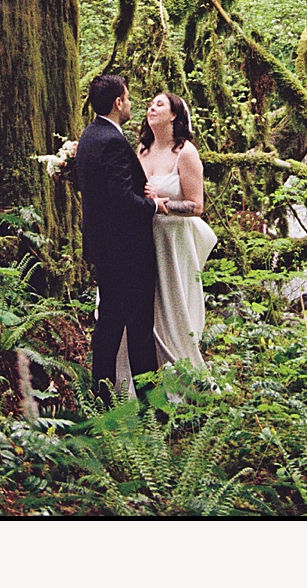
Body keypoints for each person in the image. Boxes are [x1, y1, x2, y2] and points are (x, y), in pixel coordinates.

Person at [70, 71, 163, 402]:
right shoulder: (110, 141)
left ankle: (102, 397)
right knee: (138, 328)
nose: (130, 103)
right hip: (127, 250)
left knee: (109, 323)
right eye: (127, 97)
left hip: (103, 247)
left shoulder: (89, 136)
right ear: (117, 102)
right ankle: (154, 406)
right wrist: (152, 205)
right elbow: (121, 198)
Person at [134, 90, 218, 377]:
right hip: (144, 239)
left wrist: (160, 203)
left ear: (174, 115)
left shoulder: (185, 152)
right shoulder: (141, 151)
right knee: (147, 307)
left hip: (174, 242)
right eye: (150, 104)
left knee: (174, 307)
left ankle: (182, 372)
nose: (151, 108)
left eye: (160, 104)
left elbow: (196, 206)